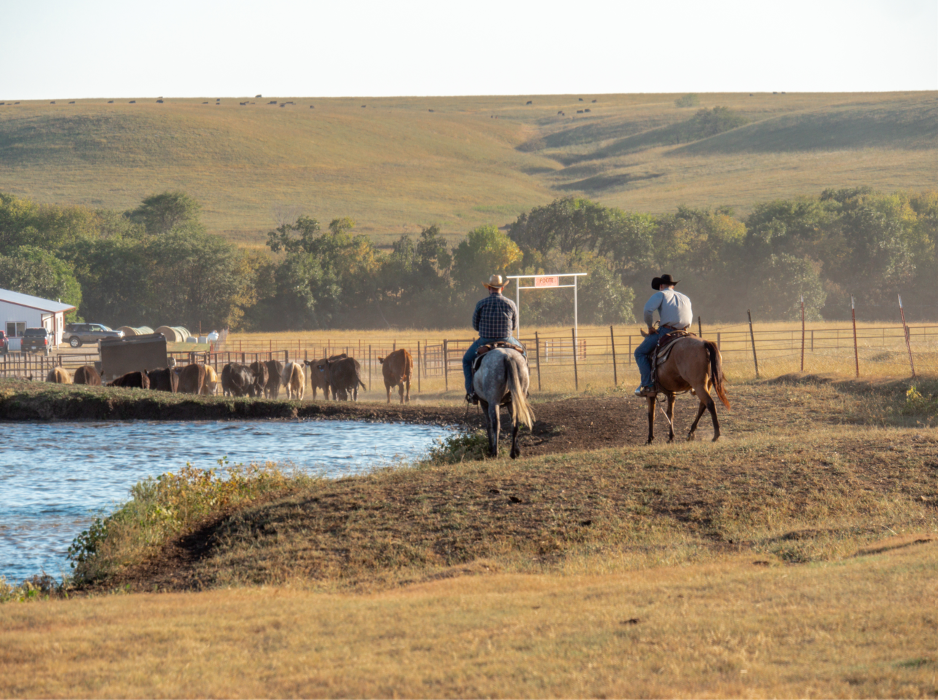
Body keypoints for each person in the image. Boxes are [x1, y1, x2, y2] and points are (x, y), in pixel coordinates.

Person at [463, 274, 525, 404]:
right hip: (507, 340)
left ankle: (471, 392)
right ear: (502, 288)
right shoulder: (511, 304)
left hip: (485, 340)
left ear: (489, 288)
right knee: (523, 355)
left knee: (467, 360)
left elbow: (475, 325)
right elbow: (514, 326)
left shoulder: (481, 304)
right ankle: (523, 389)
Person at [634, 274, 693, 397]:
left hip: (667, 331)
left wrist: (650, 327)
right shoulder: (685, 297)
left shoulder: (661, 295)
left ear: (661, 286)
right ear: (672, 285)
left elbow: (647, 310)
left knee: (640, 353)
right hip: (684, 331)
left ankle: (648, 385)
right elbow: (689, 317)